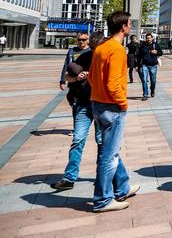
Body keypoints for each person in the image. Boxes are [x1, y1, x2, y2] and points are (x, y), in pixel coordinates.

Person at [88, 11, 139, 212]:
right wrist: (122, 103)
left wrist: (100, 95)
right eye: (129, 23)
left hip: (98, 104)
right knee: (108, 155)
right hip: (112, 107)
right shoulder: (117, 50)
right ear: (123, 27)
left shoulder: (101, 47)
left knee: (108, 150)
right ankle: (102, 200)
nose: (130, 26)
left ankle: (122, 187)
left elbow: (92, 77)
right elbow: (113, 83)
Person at [51, 33, 103, 191]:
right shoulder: (82, 56)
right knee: (78, 140)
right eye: (81, 40)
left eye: (85, 40)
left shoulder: (106, 57)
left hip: (100, 104)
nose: (83, 43)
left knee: (102, 142)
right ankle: (69, 178)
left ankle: (102, 176)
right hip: (82, 104)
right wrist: (77, 78)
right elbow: (68, 75)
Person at [136, 33, 162, 101]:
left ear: (152, 38)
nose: (148, 39)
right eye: (147, 38)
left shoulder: (155, 45)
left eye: (149, 38)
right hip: (144, 65)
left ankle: (152, 90)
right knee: (144, 80)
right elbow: (139, 56)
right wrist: (137, 65)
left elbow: (161, 53)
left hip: (153, 65)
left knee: (153, 80)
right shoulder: (142, 46)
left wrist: (156, 52)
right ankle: (145, 94)